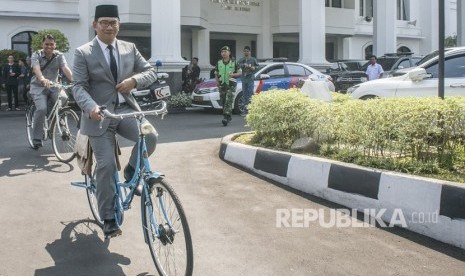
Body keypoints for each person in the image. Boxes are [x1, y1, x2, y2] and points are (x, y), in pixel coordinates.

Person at [72, 4, 158, 238]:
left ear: (119, 24)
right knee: (107, 166)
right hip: (99, 117)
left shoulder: (130, 48)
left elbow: (150, 71)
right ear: (95, 25)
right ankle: (108, 217)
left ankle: (131, 170)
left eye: (113, 22)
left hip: (126, 111)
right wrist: (90, 107)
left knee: (150, 136)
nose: (109, 27)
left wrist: (135, 81)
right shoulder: (83, 52)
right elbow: (78, 87)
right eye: (104, 23)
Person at [30, 34, 73, 149]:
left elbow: (65, 68)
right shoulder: (36, 54)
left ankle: (62, 128)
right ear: (42, 44)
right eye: (46, 44)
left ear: (55, 45)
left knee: (63, 99)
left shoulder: (59, 55)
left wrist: (75, 81)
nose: (49, 46)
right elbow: (36, 69)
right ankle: (37, 138)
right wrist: (42, 79)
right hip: (38, 87)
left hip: (54, 86)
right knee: (42, 108)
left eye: (51, 44)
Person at [214, 46, 241, 126]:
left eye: (225, 52)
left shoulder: (234, 62)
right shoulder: (219, 63)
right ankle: (227, 116)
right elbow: (216, 73)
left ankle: (226, 117)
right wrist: (217, 82)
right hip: (222, 84)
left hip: (231, 84)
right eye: (222, 52)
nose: (224, 53)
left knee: (228, 100)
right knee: (223, 101)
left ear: (229, 53)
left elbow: (240, 73)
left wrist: (233, 74)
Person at [237, 46, 258, 116]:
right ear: (243, 52)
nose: (246, 52)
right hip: (243, 78)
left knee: (250, 94)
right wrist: (243, 65)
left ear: (250, 52)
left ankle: (252, 110)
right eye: (245, 51)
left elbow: (257, 67)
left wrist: (252, 67)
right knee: (244, 94)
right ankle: (245, 111)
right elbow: (237, 65)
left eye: (247, 51)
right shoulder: (241, 59)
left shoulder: (253, 59)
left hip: (250, 78)